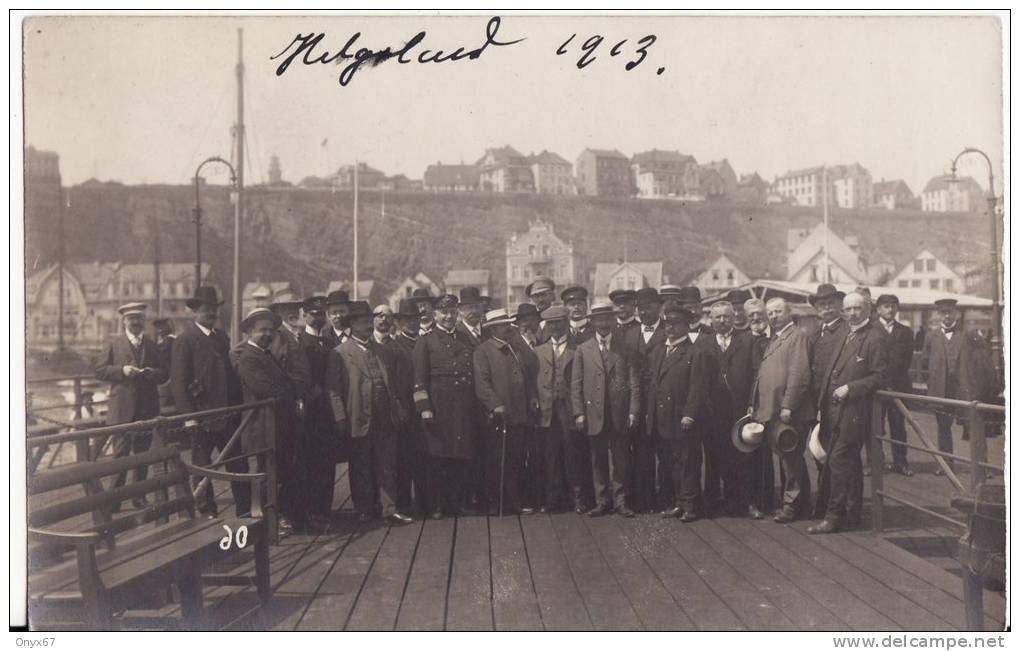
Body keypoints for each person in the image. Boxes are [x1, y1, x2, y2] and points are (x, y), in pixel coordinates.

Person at [326, 301, 413, 525]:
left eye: (368, 320)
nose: (366, 325)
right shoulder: (340, 353)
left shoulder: (384, 351)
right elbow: (333, 391)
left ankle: (389, 508)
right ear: (351, 325)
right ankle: (364, 509)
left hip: (385, 416)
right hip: (358, 416)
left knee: (387, 463)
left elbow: (392, 384)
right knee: (361, 465)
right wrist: (339, 417)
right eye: (361, 322)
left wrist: (398, 407)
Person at [808, 293, 888, 534]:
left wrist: (851, 388)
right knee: (850, 463)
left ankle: (833, 516)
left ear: (868, 309)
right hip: (833, 410)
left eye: (857, 308)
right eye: (849, 309)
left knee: (838, 460)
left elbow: (880, 375)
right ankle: (853, 513)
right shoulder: (845, 333)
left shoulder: (875, 337)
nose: (852, 313)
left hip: (855, 411)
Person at [171, 286, 249, 518]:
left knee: (239, 464)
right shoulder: (185, 339)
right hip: (202, 417)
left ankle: (245, 510)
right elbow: (178, 382)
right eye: (205, 310)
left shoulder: (221, 337)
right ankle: (207, 511)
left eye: (213, 309)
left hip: (228, 415)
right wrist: (189, 417)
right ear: (195, 312)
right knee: (202, 467)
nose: (210, 314)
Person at [232, 307, 303, 535]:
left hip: (276, 424)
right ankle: (264, 522)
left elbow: (287, 385)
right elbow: (265, 389)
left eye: (270, 331)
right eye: (262, 330)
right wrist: (290, 395)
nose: (267, 335)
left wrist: (289, 392)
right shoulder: (248, 359)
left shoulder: (266, 355)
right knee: (266, 475)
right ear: (250, 332)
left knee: (279, 472)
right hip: (261, 427)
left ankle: (278, 518)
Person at [94, 302, 168, 508]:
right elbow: (99, 370)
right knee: (120, 455)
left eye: (139, 318)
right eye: (131, 318)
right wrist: (122, 371)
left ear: (144, 321)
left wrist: (154, 373)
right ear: (124, 321)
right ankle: (115, 500)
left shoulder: (152, 345)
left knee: (142, 455)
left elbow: (164, 373)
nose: (135, 322)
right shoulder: (113, 343)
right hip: (122, 409)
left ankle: (139, 497)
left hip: (146, 408)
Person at [572, 301, 641, 518]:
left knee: (620, 459)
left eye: (607, 319)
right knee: (598, 459)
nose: (603, 323)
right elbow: (576, 383)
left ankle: (621, 501)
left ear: (612, 321)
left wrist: (633, 410)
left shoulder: (625, 348)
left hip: (619, 413)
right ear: (592, 322)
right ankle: (602, 501)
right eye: (598, 319)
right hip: (594, 414)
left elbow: (634, 382)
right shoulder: (583, 349)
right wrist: (579, 413)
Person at [413, 294, 479, 518]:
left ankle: (458, 502)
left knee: (460, 455)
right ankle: (437, 505)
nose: (448, 316)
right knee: (437, 456)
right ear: (435, 314)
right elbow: (418, 379)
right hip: (438, 406)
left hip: (463, 406)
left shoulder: (465, 339)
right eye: (444, 312)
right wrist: (424, 407)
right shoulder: (426, 341)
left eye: (452, 312)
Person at [646, 305, 711, 521]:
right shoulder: (658, 352)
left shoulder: (694, 353)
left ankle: (691, 505)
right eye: (667, 324)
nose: (671, 328)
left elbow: (698, 388)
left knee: (688, 462)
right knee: (670, 463)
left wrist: (689, 414)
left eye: (676, 324)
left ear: (686, 326)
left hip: (682, 418)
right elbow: (652, 384)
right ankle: (677, 502)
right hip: (662, 418)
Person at [751, 298, 812, 523]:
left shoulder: (797, 336)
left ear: (789, 312)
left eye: (778, 311)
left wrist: (788, 405)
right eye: (771, 313)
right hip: (772, 409)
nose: (774, 316)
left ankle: (792, 506)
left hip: (788, 411)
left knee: (790, 459)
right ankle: (799, 503)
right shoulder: (776, 338)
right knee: (788, 457)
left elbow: (799, 374)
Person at [473, 308, 538, 515]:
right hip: (498, 416)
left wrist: (532, 396)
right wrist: (495, 404)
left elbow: (527, 374)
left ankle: (513, 500)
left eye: (508, 324)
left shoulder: (515, 348)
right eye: (502, 325)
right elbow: (481, 384)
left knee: (515, 459)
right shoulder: (483, 351)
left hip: (518, 413)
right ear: (492, 329)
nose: (507, 328)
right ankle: (495, 502)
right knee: (496, 460)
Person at [921, 298, 998, 475]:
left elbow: (983, 358)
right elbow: (925, 364)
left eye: (950, 312)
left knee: (974, 428)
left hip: (964, 390)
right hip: (941, 390)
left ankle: (982, 466)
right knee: (943, 429)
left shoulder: (968, 334)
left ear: (956, 313)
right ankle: (946, 465)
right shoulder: (931, 336)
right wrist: (933, 383)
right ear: (938, 315)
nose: (947, 316)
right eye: (943, 312)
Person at [705, 301, 760, 518]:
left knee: (744, 457)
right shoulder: (703, 342)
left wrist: (752, 403)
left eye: (726, 316)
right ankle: (719, 501)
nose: (722, 321)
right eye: (717, 317)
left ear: (733, 317)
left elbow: (757, 374)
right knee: (715, 456)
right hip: (713, 411)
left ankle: (748, 502)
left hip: (740, 409)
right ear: (711, 319)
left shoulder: (747, 340)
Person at [533, 305, 589, 513]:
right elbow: (533, 380)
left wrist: (580, 410)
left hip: (570, 409)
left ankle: (578, 498)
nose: (555, 327)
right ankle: (553, 499)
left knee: (573, 454)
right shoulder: (539, 350)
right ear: (546, 325)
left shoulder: (580, 348)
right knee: (550, 456)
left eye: (559, 323)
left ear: (566, 323)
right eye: (551, 323)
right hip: (547, 411)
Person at [622, 287, 666, 512]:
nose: (644, 312)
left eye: (648, 307)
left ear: (659, 308)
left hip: (662, 401)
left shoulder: (669, 331)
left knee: (666, 452)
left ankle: (668, 499)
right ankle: (645, 499)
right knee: (641, 452)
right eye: (640, 308)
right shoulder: (629, 335)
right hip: (638, 401)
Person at [806, 283, 848, 518]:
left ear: (840, 305)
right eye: (822, 304)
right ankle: (824, 503)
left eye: (831, 303)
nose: (827, 308)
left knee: (842, 460)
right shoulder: (814, 336)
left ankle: (846, 509)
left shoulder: (846, 332)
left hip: (839, 404)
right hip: (818, 405)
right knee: (820, 454)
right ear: (816, 309)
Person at [297, 296, 337, 528]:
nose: (319, 317)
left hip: (330, 410)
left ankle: (325, 509)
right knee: (312, 462)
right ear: (305, 315)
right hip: (311, 412)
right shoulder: (301, 343)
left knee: (327, 462)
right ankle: (313, 512)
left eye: (322, 313)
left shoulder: (330, 343)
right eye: (314, 313)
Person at [391, 299, 428, 515]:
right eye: (407, 320)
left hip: (424, 406)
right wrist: (398, 407)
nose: (412, 323)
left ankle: (424, 503)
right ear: (399, 322)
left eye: (415, 319)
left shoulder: (426, 341)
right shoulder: (393, 346)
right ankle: (404, 504)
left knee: (425, 457)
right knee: (404, 459)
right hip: (405, 408)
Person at [875, 294, 915, 476]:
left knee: (898, 426)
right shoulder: (870, 329)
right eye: (885, 306)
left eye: (893, 306)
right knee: (875, 427)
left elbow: (906, 360)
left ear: (897, 309)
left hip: (899, 386)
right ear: (878, 310)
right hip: (876, 388)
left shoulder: (905, 332)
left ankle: (901, 462)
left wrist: (894, 380)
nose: (889, 310)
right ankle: (876, 462)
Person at [152, 317, 176, 413]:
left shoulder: (166, 344)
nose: (159, 333)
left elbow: (162, 363)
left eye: (160, 330)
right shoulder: (176, 340)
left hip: (167, 382)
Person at [525, 276, 556, 344]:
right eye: (536, 296)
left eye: (544, 295)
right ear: (532, 299)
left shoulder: (561, 317)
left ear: (552, 296)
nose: (540, 299)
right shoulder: (527, 320)